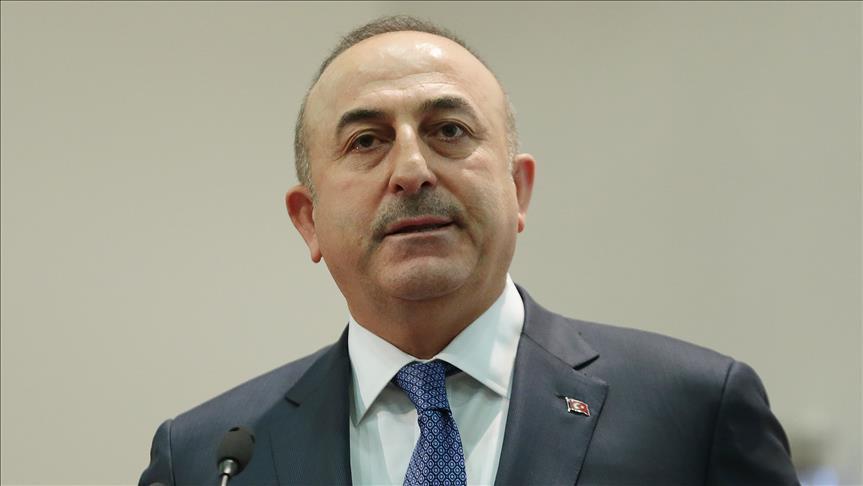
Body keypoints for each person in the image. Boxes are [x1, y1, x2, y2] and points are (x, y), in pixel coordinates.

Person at [139, 15, 799, 486]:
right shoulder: (207, 460)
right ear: (307, 220)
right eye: (366, 141)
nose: (411, 170)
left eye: (449, 130)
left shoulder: (692, 414)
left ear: (518, 190)